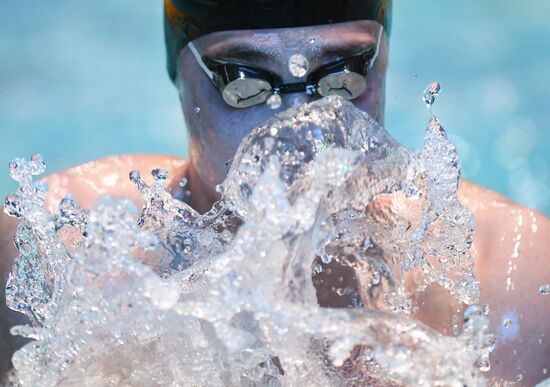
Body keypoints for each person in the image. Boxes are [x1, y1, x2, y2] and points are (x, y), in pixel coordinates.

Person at [0, 0, 549, 384]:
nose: (301, 124)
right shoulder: (63, 248)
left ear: (384, 60)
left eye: (342, 78)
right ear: (180, 74)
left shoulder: (512, 280)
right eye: (245, 84)